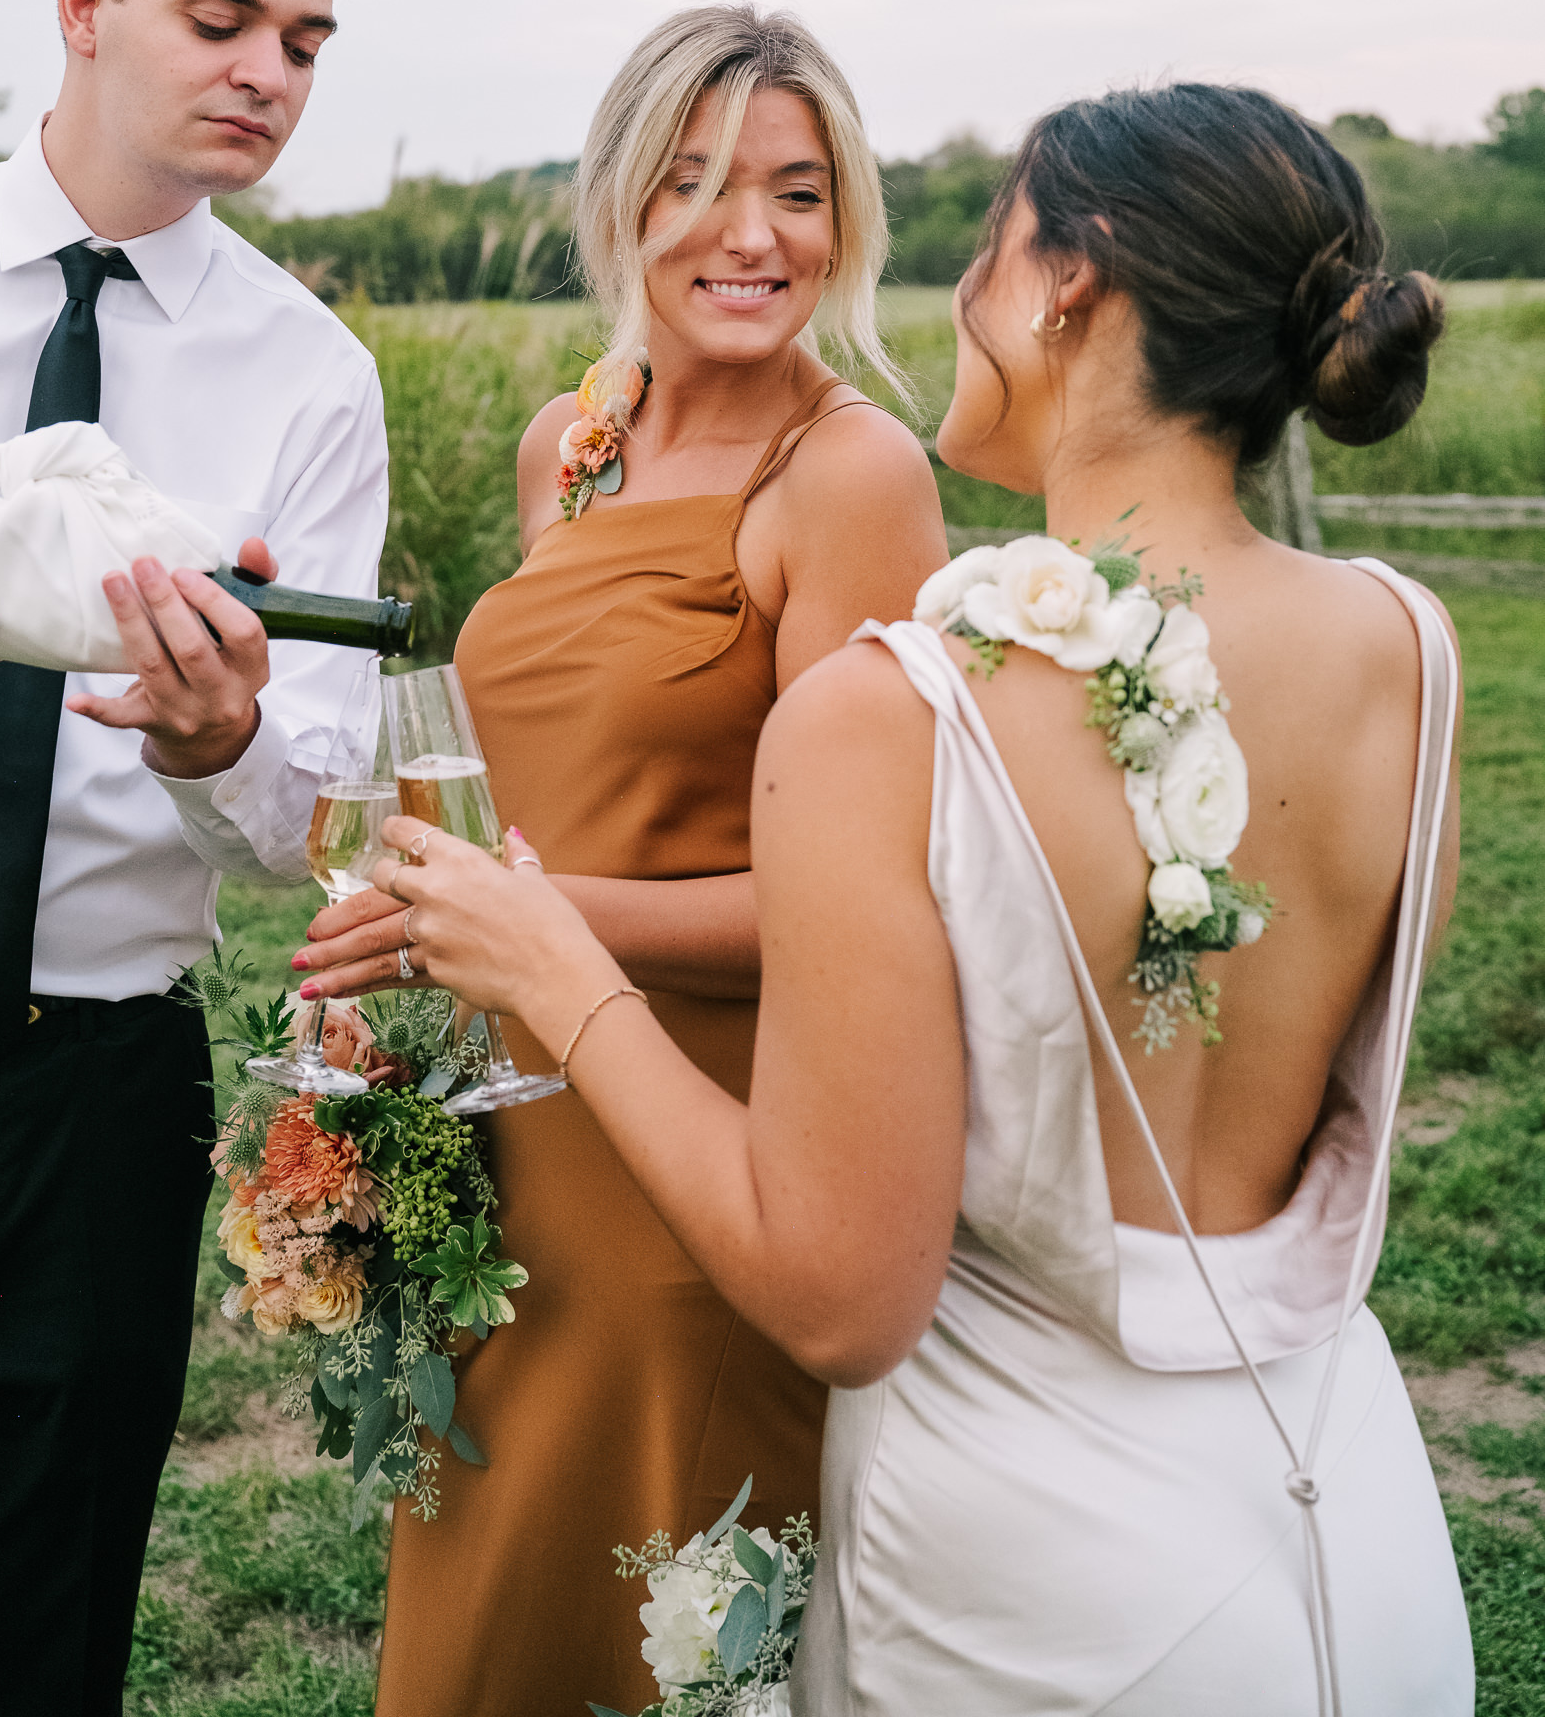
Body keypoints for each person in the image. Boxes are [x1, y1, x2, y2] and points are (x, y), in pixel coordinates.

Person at [303, 82, 1474, 1715]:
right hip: (1336, 1511)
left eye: (986, 245)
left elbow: (841, 1300)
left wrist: (551, 954)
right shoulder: (1406, 647)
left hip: (1024, 1564)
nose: (952, 295)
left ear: (1069, 282)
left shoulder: (893, 708)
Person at [342, 5, 946, 1717]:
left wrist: (518, 922)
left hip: (695, 1162)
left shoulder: (849, 476)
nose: (748, 234)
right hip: (510, 1139)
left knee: (640, 1626)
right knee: (485, 1614)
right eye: (690, 182)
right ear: (615, 205)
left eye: (796, 190)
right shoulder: (572, 443)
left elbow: (856, 918)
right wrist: (433, 937)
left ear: (847, 223)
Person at [0, 0, 388, 1717]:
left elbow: (308, 820)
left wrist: (228, 732)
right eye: (222, 18)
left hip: (101, 1102)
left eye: (307, 42)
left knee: (45, 1654)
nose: (269, 73)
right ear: (86, 0)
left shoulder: (309, 378)